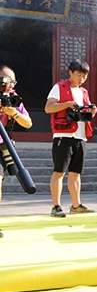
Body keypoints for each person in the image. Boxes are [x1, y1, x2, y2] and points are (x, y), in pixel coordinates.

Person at [44, 60, 97, 218]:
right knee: (59, 172)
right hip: (63, 135)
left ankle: (76, 205)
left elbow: (86, 114)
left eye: (84, 76)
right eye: (79, 75)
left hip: (80, 136)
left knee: (75, 173)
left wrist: (92, 111)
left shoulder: (84, 92)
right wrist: (66, 104)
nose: (82, 78)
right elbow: (48, 108)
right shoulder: (59, 87)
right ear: (70, 72)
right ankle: (56, 206)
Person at [1, 65, 33, 237]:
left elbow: (28, 123)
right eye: (7, 81)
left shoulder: (13, 99)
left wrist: (14, 113)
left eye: (13, 81)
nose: (11, 85)